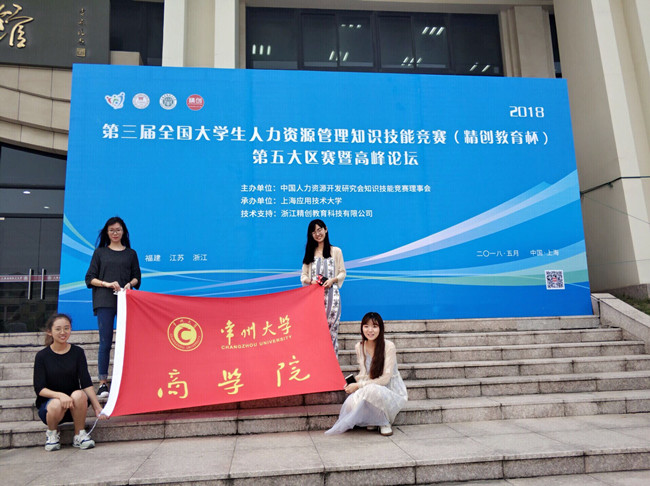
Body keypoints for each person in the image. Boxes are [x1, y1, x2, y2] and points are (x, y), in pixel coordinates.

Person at [325, 312, 407, 436]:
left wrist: (359, 385)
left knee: (373, 390)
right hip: (371, 384)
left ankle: (384, 422)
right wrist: (354, 382)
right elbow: (364, 373)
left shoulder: (389, 346)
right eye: (366, 326)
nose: (370, 330)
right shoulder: (360, 346)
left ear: (380, 328)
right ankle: (374, 419)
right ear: (362, 328)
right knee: (350, 403)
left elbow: (385, 379)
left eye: (374, 326)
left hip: (390, 388)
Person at [85, 216, 141, 398]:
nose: (115, 233)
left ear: (123, 231)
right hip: (104, 301)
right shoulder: (100, 253)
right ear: (106, 232)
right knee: (105, 342)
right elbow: (89, 278)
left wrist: (130, 284)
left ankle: (127, 380)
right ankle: (103, 383)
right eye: (111, 230)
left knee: (127, 341)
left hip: (126, 300)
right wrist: (107, 284)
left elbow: (137, 277)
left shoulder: (131, 253)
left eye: (118, 230)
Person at [33, 314, 106, 451]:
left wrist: (97, 407)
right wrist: (60, 396)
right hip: (51, 408)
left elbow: (86, 382)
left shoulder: (77, 352)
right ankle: (52, 434)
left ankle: (79, 435)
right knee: (55, 403)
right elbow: (40, 388)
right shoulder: (42, 356)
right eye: (58, 329)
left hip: (75, 405)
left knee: (79, 394)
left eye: (66, 328)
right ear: (50, 332)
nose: (63, 332)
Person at [301, 219, 346, 355]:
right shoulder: (310, 252)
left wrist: (333, 280)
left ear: (325, 229)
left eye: (319, 230)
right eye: (313, 232)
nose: (317, 234)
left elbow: (342, 272)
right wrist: (311, 282)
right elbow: (303, 276)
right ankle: (317, 362)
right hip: (314, 298)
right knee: (315, 331)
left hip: (332, 297)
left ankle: (332, 363)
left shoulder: (336, 251)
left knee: (332, 331)